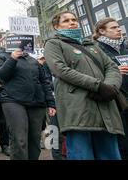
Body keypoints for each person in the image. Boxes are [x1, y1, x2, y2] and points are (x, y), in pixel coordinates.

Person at [44, 11, 124, 160]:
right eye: (66, 21)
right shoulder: (53, 44)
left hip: (104, 106)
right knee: (82, 155)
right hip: (77, 109)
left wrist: (110, 87)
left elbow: (111, 67)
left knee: (110, 154)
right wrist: (98, 86)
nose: (72, 22)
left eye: (74, 19)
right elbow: (60, 70)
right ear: (56, 26)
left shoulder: (91, 44)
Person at [0, 37, 56, 160]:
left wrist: (50, 103)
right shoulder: (3, 56)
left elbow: (44, 82)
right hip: (13, 101)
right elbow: (1, 74)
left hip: (36, 103)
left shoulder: (33, 60)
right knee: (19, 138)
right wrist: (12, 58)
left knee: (34, 139)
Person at [93, 17, 128, 160]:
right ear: (102, 31)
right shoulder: (95, 49)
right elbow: (92, 73)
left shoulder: (125, 46)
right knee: (123, 140)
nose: (119, 29)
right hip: (115, 99)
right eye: (113, 28)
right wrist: (114, 71)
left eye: (118, 27)